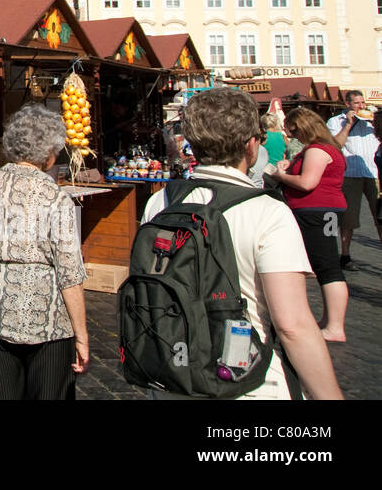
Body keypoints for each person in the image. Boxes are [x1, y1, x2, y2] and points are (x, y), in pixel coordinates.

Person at [140, 87, 341, 399]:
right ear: (251, 145)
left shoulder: (160, 201)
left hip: (173, 372)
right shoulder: (269, 212)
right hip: (246, 379)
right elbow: (293, 326)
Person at [0, 105, 88, 400]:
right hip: (49, 322)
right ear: (50, 154)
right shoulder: (56, 197)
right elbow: (69, 273)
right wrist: (82, 336)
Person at [266, 108, 348, 342]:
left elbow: (307, 183)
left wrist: (281, 176)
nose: (292, 135)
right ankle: (329, 322)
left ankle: (335, 326)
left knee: (326, 265)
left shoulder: (317, 150)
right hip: (322, 210)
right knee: (325, 264)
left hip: (316, 211)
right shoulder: (325, 148)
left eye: (293, 130)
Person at [327, 91, 380, 271]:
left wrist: (376, 122)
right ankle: (345, 255)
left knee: (380, 216)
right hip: (350, 174)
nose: (361, 106)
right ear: (347, 104)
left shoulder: (372, 121)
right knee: (348, 219)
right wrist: (349, 124)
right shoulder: (335, 122)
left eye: (362, 102)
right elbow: (334, 146)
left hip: (373, 173)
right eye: (356, 103)